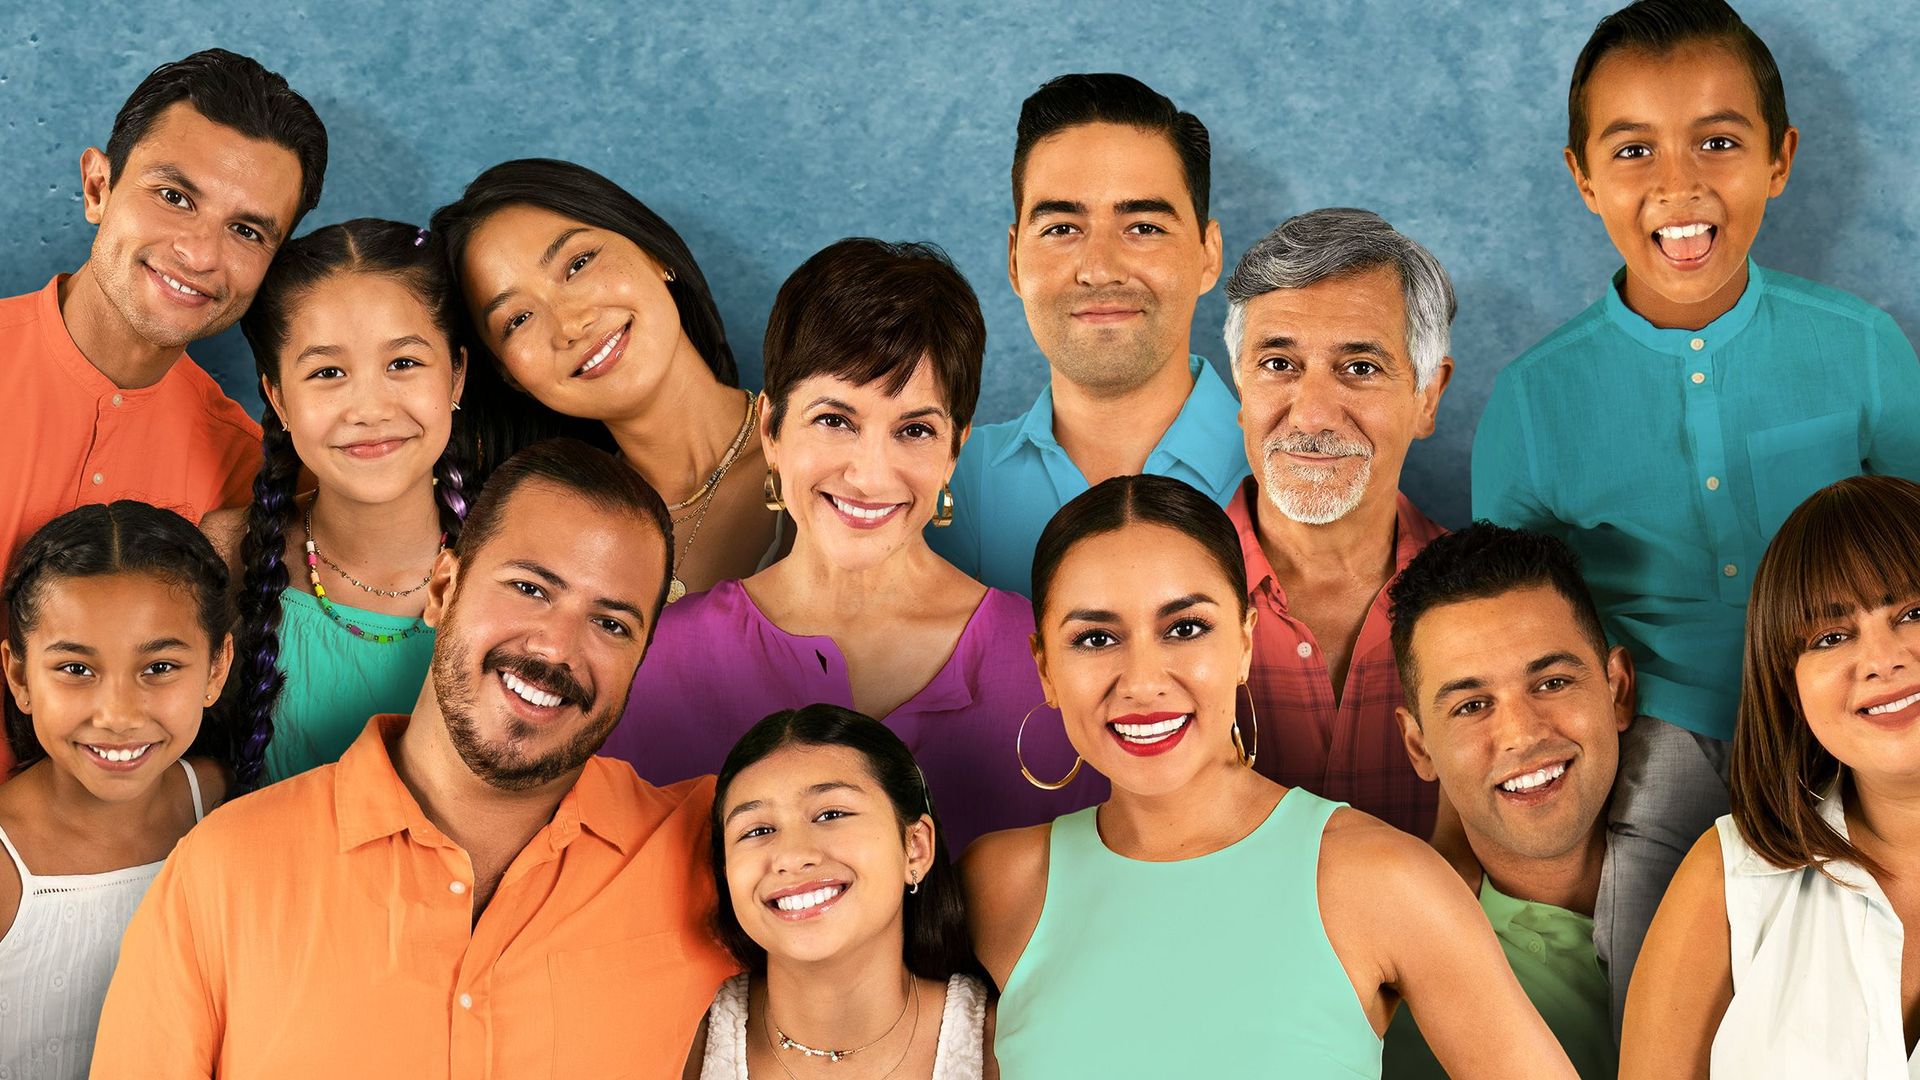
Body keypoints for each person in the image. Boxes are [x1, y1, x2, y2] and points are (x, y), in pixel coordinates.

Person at [1472, 0, 1920, 1029]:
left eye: (1718, 141)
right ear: (1584, 176)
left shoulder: (1861, 348)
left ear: (1780, 159)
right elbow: (1511, 631)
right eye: (1634, 150)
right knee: (1654, 1006)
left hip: (1854, 726)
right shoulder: (1535, 400)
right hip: (1662, 742)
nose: (1679, 185)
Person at [90, 440, 738, 1079]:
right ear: (443, 588)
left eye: (612, 624)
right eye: (529, 588)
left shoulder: (716, 854)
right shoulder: (222, 873)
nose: (556, 648)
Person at [962, 475, 1577, 1078]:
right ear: (1045, 667)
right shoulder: (996, 886)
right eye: (1096, 638)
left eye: (1185, 628)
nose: (1143, 682)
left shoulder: (1384, 877)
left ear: (1245, 644)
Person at [605, 239, 1102, 852]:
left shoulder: (1056, 660)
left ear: (956, 449)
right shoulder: (656, 662)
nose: (870, 476)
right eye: (835, 420)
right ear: (771, 430)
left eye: (914, 430)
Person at [0, 48, 325, 776]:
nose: (199, 253)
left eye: (248, 231)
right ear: (98, 186)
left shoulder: (249, 474)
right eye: (174, 196)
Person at [1621, 476, 1920, 1078]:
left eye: (1914, 612)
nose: (1882, 660)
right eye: (1831, 637)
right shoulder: (1726, 878)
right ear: (1789, 684)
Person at [928, 73, 1245, 597]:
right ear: (1014, 259)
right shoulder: (937, 480)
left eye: (1144, 227)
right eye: (1061, 229)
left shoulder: (1289, 470)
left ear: (1208, 255)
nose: (1099, 270)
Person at [200, 219, 471, 786]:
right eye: (328, 372)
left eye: (403, 363)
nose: (369, 409)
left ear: (456, 376)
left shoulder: (516, 566)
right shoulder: (225, 554)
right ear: (278, 397)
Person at [432, 158, 779, 598]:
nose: (569, 325)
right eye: (518, 319)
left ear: (655, 254)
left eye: (578, 264)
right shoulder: (545, 538)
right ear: (509, 374)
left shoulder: (828, 451)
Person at [1219, 207, 1454, 836]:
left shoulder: (1492, 611)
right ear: (1239, 388)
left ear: (1428, 396)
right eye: (1278, 364)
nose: (1313, 415)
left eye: (1360, 368)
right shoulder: (1152, 602)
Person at [1380, 524, 1632, 1080]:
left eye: (1552, 683)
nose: (1521, 734)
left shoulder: (1748, 888)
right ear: (1419, 747)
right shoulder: (1393, 1004)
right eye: (1472, 706)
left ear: (1617, 689)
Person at [0, 502, 235, 1080]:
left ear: (216, 669)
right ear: (19, 676)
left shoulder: (225, 807)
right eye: (76, 670)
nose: (119, 715)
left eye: (159, 667)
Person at [688, 704, 992, 1079]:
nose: (792, 856)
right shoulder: (685, 1042)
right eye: (757, 831)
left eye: (831, 814)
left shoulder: (1002, 1042)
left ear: (915, 848)